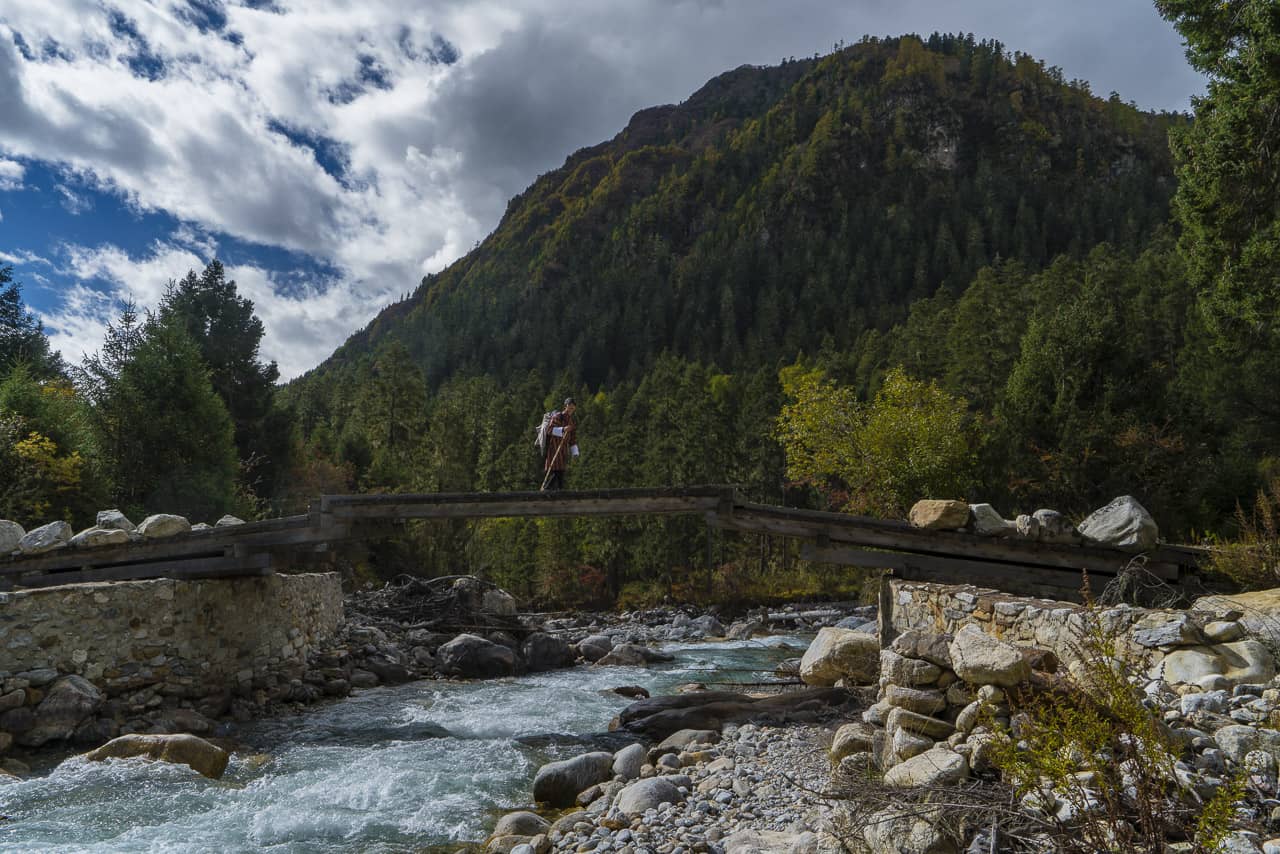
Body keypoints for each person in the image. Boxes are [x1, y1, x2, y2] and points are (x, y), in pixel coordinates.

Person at [541, 397, 579, 491]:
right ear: (565, 406)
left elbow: (572, 438)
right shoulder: (558, 416)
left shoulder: (571, 421)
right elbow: (549, 430)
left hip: (563, 450)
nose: (571, 410)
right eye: (569, 407)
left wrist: (575, 452)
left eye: (573, 408)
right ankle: (547, 490)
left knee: (561, 471)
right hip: (554, 448)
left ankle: (558, 491)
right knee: (556, 471)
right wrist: (563, 429)